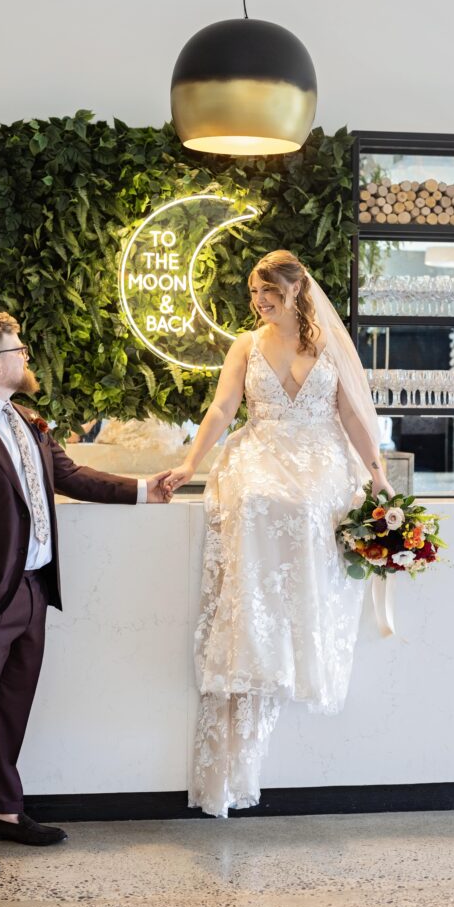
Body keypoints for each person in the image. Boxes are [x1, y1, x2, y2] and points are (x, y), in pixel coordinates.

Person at [0, 311, 172, 876]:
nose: (26, 356)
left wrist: (148, 489)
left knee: (11, 709)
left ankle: (2, 811)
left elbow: (73, 477)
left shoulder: (27, 421)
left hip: (32, 592)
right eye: (19, 349)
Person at [166, 250, 393, 818]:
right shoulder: (245, 345)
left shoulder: (329, 348)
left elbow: (355, 420)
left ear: (295, 290)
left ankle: (299, 644)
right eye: (253, 293)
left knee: (314, 506)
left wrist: (380, 478)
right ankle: (258, 641)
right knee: (256, 500)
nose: (259, 301)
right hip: (262, 449)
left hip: (319, 456)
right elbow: (222, 410)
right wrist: (191, 464)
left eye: (267, 291)